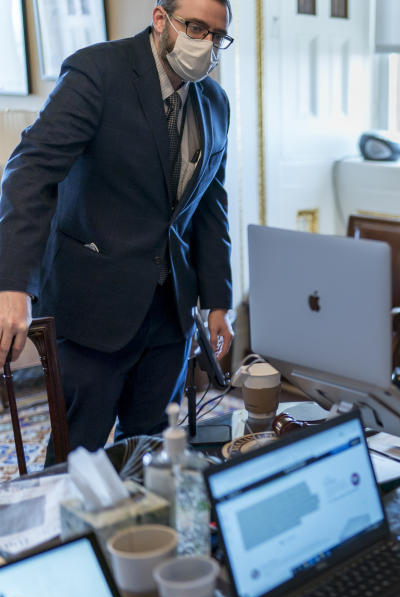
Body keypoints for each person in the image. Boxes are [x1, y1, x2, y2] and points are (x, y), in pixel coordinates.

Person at [0, 0, 234, 457]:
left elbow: (211, 206)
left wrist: (219, 301)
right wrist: (13, 285)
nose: (205, 44)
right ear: (161, 19)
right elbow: (29, 173)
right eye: (194, 27)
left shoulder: (215, 103)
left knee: (150, 452)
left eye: (216, 36)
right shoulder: (98, 72)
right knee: (77, 456)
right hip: (93, 307)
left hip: (170, 315)